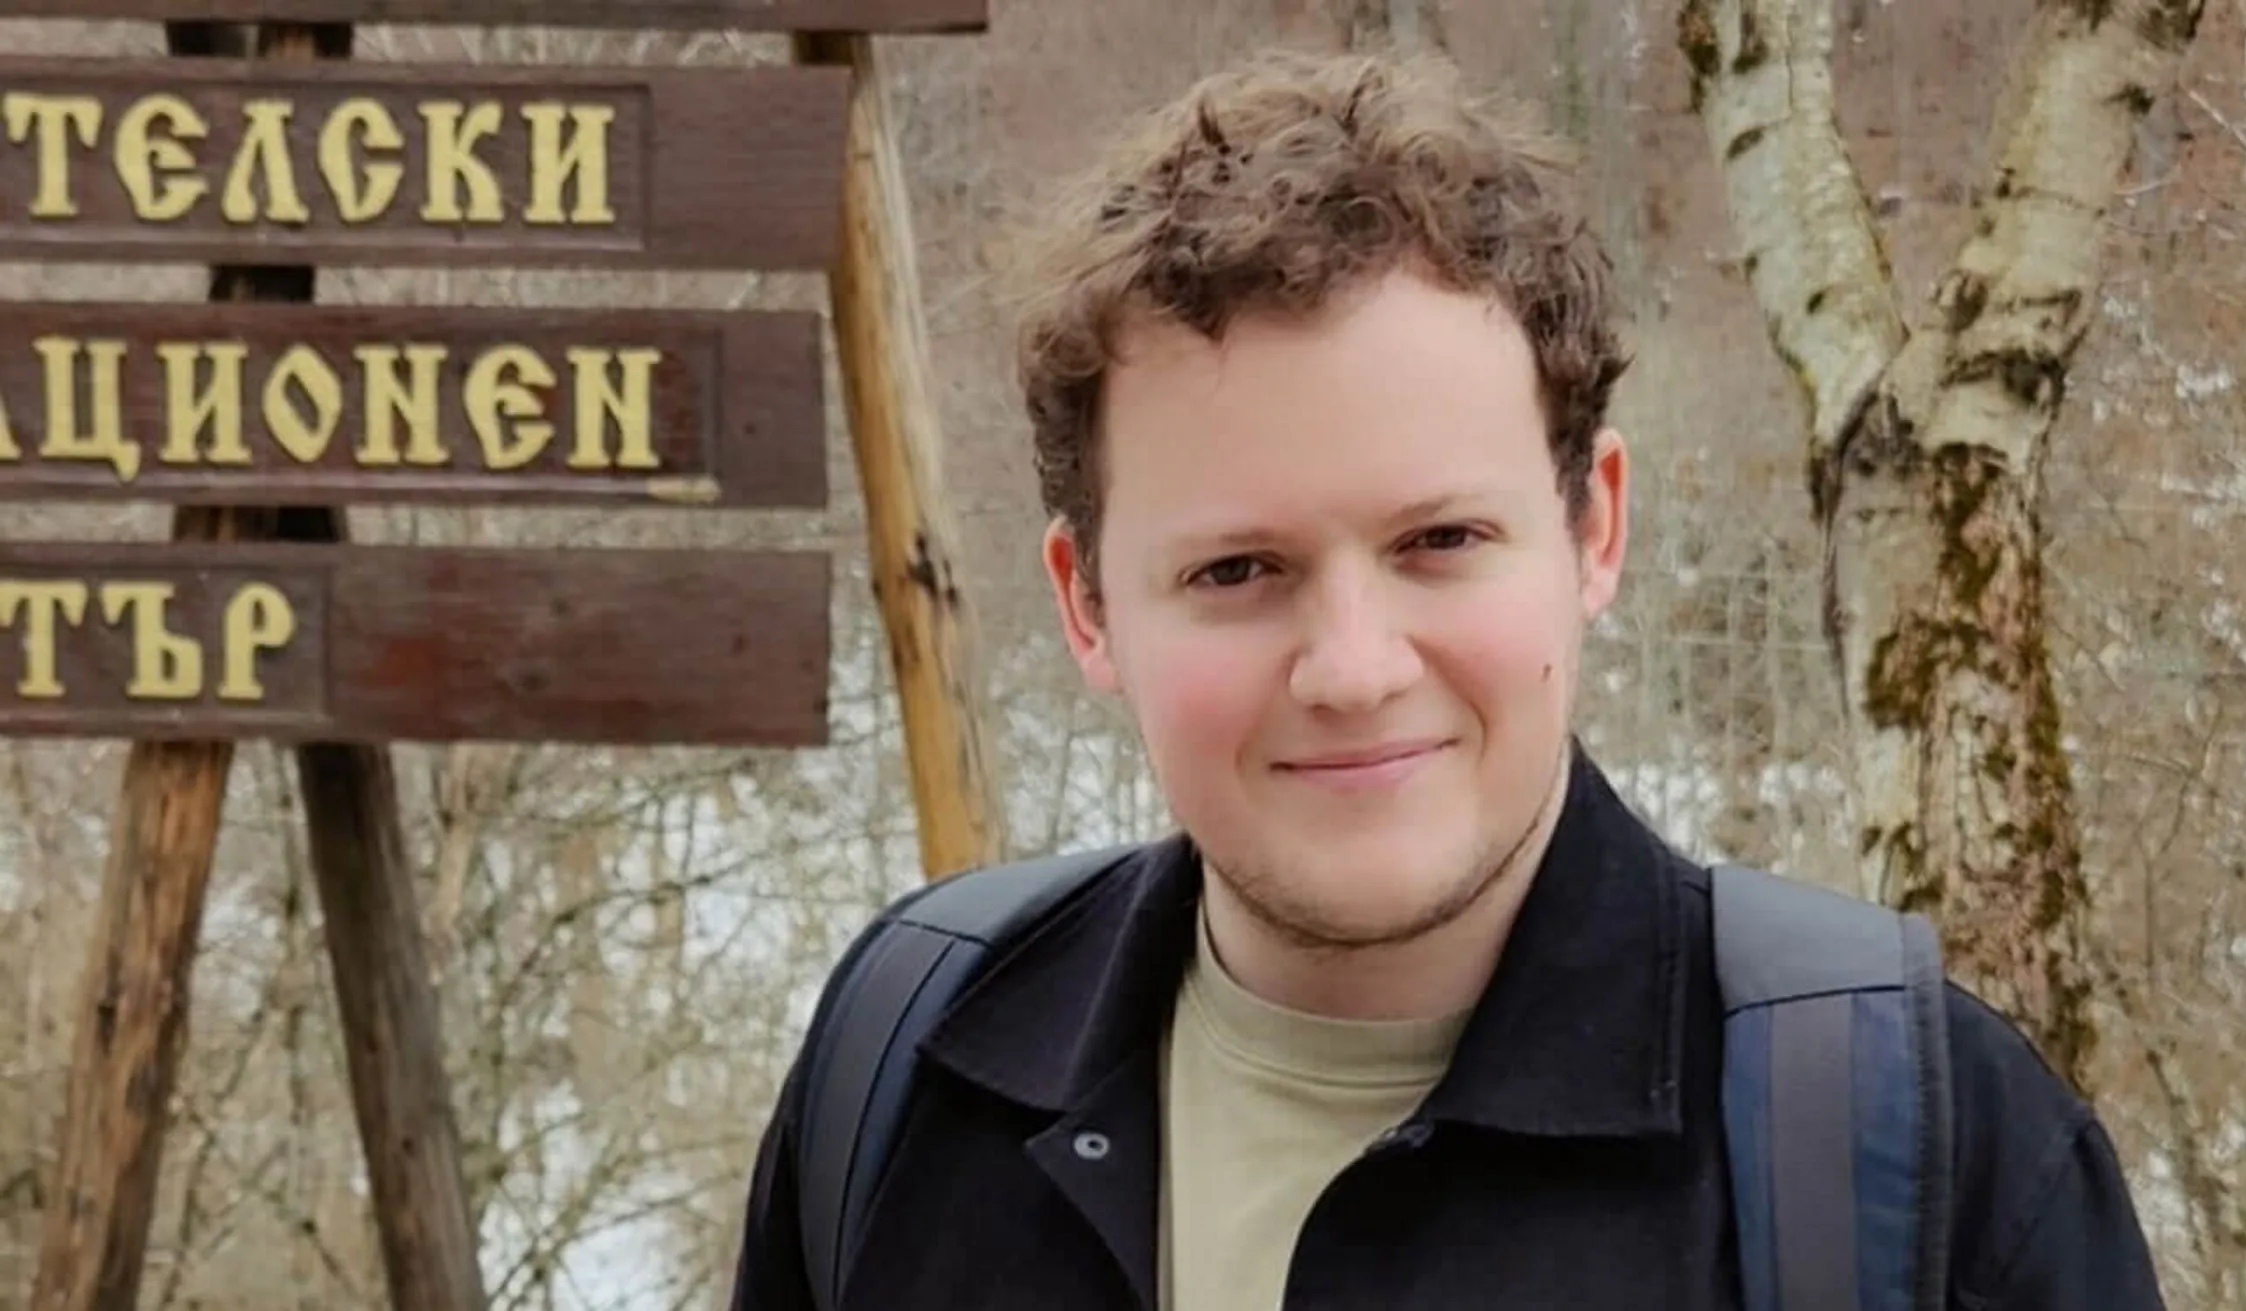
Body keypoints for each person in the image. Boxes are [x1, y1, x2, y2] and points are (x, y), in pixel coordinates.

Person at [727, 46, 2165, 1311]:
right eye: (1236, 571)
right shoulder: (906, 1073)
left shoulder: (1919, 1172)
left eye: (1440, 540)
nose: (1354, 670)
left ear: (1593, 527)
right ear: (1088, 605)